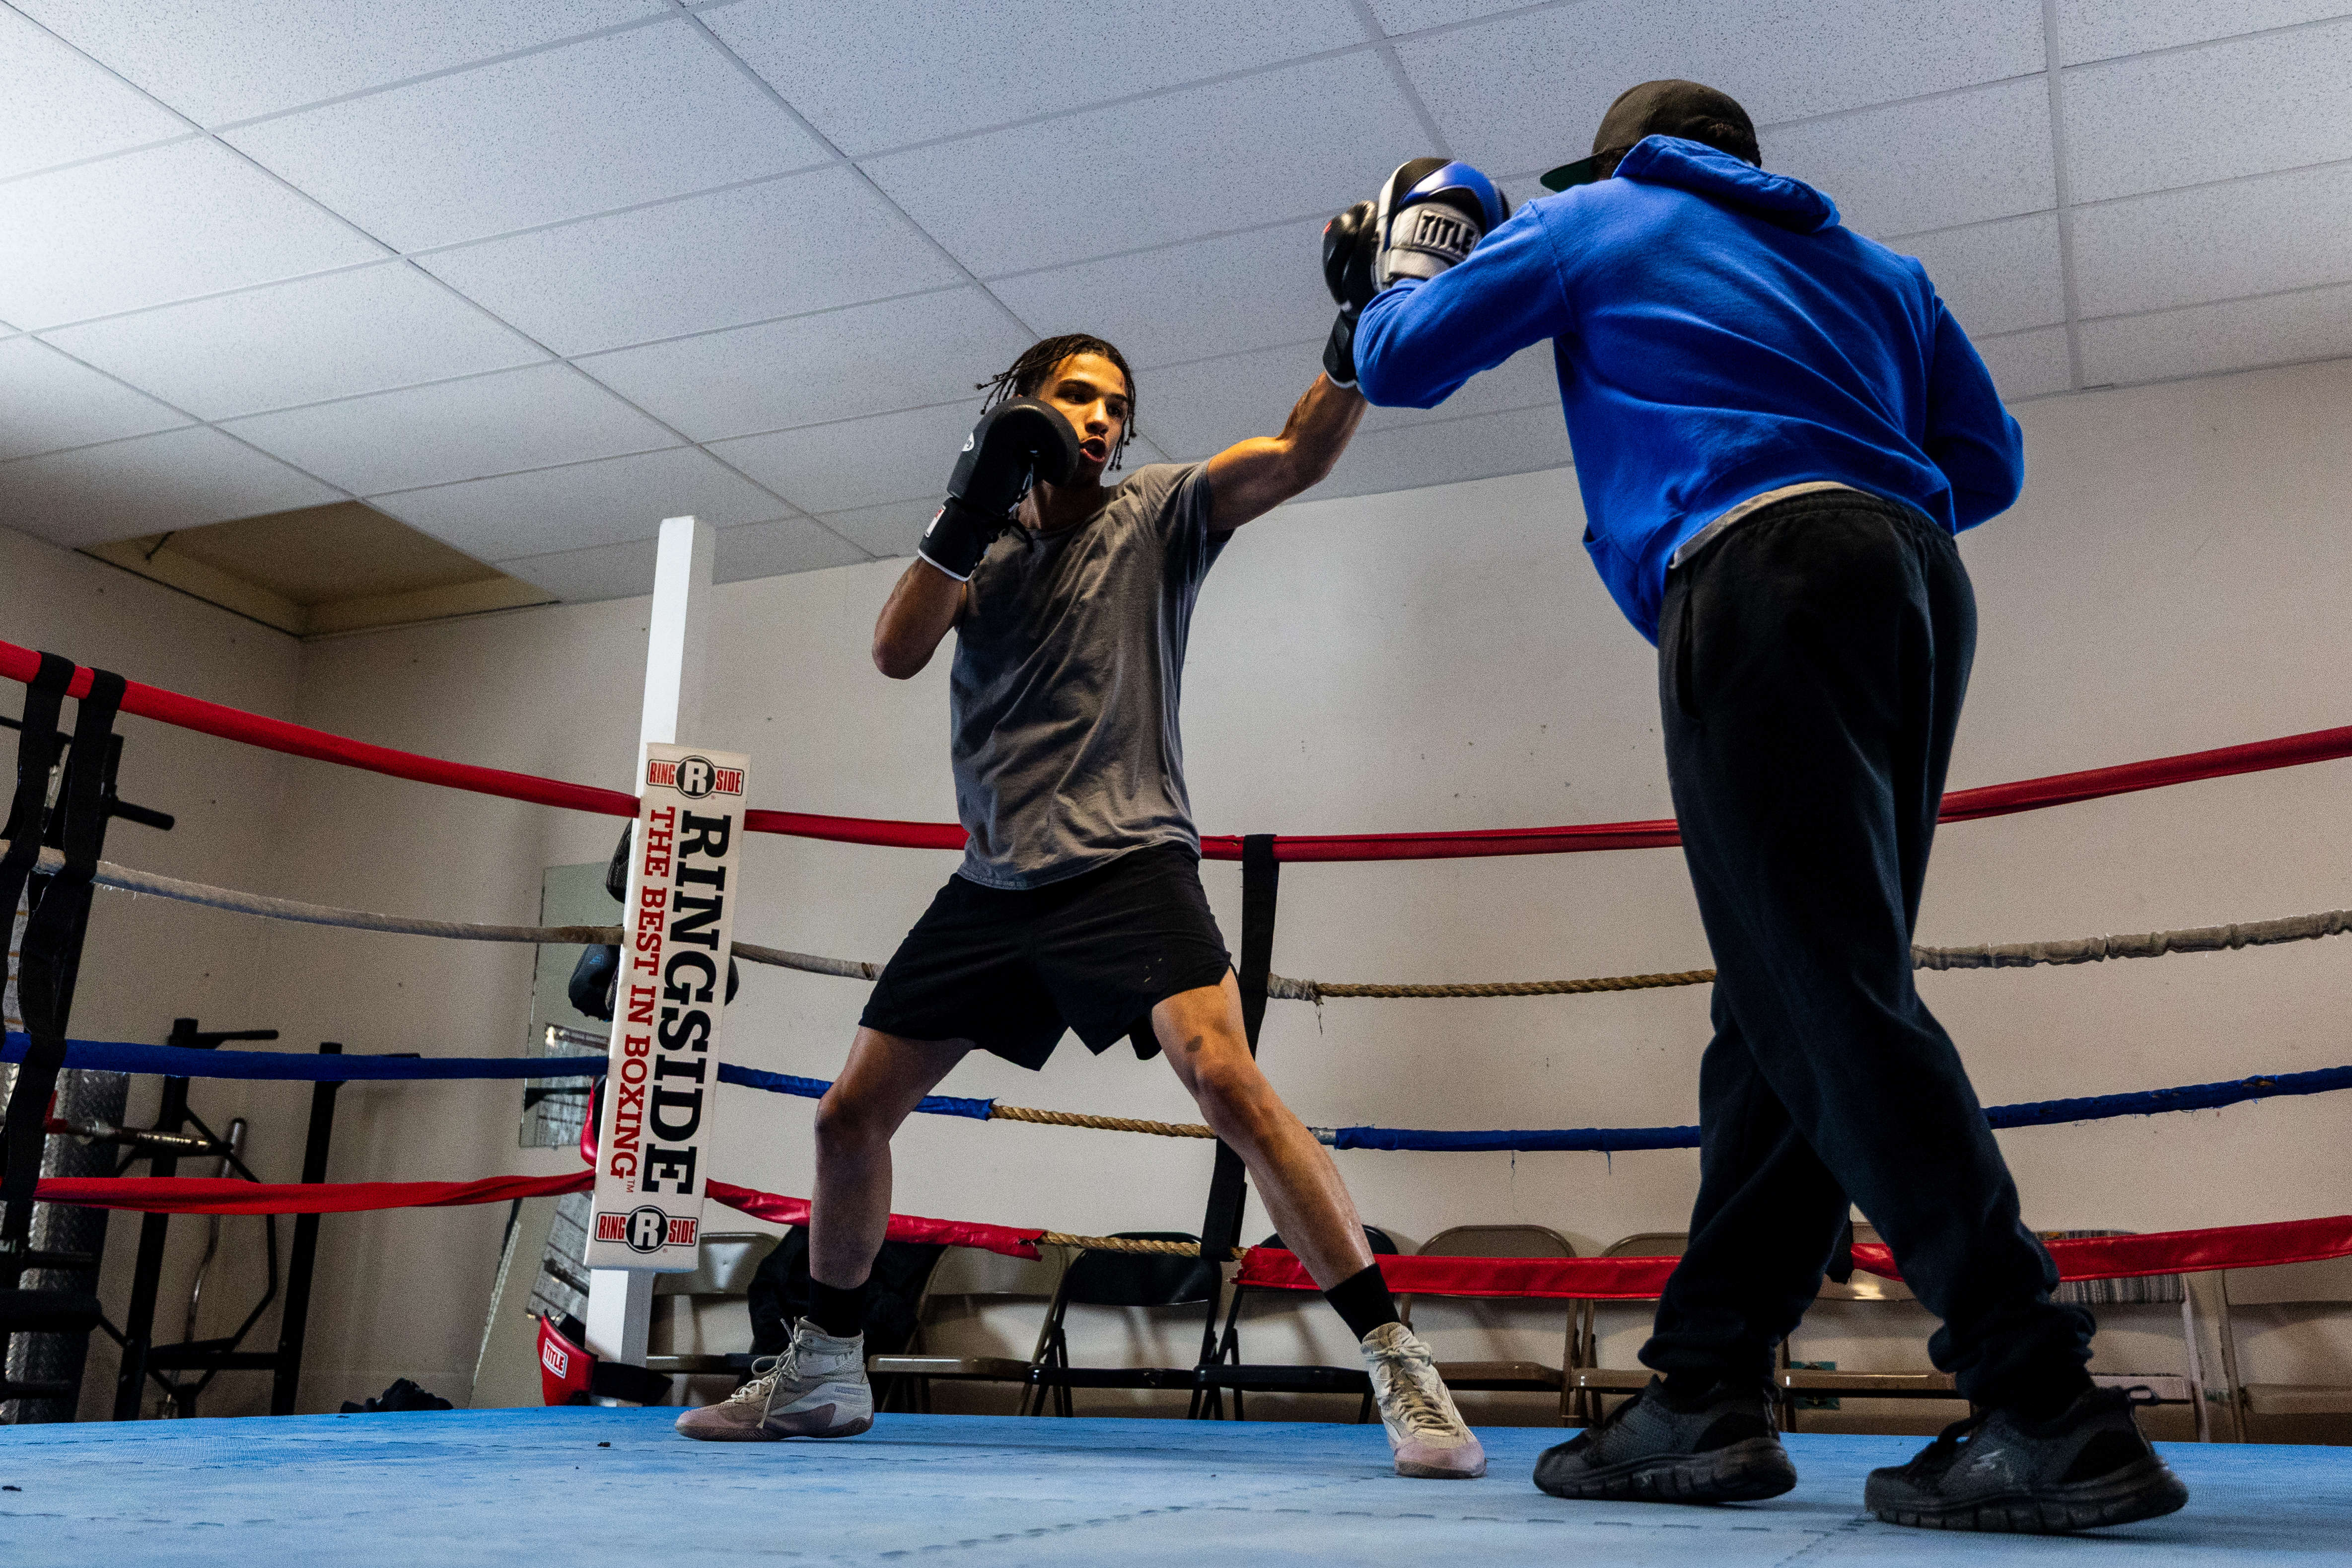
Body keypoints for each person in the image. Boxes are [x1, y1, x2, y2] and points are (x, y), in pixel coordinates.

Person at [1335, 82, 2188, 1532]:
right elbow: (1986, 465)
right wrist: (1848, 470)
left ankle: (2043, 1399)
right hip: (1913, 578)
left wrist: (1410, 251)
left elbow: (1398, 363)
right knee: (1778, 1005)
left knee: (1823, 992)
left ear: (1618, 159)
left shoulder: (1600, 216)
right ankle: (1708, 1388)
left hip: (1759, 568)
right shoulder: (1878, 270)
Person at [674, 333, 1487, 1480]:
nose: (1101, 418)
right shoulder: (978, 554)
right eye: (1076, 397)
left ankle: (1398, 1361)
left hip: (1127, 867)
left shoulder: (1157, 512)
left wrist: (1354, 340)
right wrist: (969, 503)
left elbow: (1299, 456)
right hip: (993, 885)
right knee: (845, 1117)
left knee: (1227, 1082)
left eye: (1116, 404)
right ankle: (821, 1367)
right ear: (1024, 407)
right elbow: (895, 651)